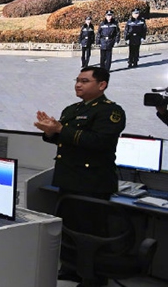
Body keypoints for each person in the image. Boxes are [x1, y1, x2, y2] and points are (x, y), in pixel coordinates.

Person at [34, 66, 125, 200]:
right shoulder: (71, 109)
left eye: (84, 81)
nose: (78, 85)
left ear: (102, 85)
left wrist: (60, 129)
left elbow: (100, 141)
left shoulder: (110, 111)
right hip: (67, 179)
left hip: (93, 182)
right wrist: (50, 132)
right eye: (77, 81)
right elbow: (64, 139)